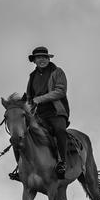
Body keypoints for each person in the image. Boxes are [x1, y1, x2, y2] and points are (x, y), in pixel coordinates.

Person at [10, 46, 70, 181]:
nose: (42, 60)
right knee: (19, 135)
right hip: (38, 114)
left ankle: (62, 163)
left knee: (60, 130)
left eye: (44, 57)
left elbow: (61, 91)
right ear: (34, 61)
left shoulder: (57, 72)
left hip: (56, 112)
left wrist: (39, 99)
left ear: (48, 58)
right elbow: (30, 96)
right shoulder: (32, 76)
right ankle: (20, 168)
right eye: (38, 58)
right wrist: (21, 104)